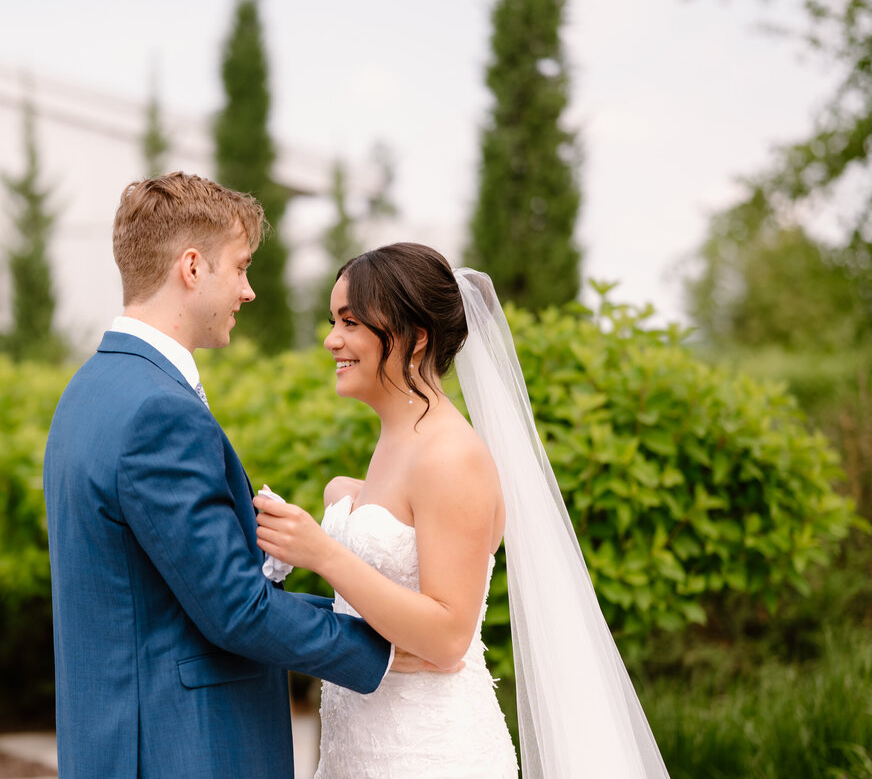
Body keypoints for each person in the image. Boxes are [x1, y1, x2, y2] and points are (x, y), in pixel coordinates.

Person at [44, 173, 412, 779]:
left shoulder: (88, 391)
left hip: (114, 744)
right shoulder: (158, 411)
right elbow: (236, 611)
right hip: (181, 750)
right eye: (240, 268)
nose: (249, 291)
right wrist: (389, 643)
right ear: (192, 268)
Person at [255, 243, 671, 778]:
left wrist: (327, 554)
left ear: (415, 337)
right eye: (334, 320)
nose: (333, 339)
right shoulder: (401, 442)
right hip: (357, 749)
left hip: (428, 754)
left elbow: (449, 636)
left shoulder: (452, 455)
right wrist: (347, 498)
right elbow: (408, 527)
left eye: (351, 322)